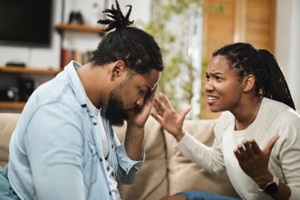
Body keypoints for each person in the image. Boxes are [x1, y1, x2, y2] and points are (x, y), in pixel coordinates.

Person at [0, 1, 164, 200]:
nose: (140, 102)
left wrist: (136, 127)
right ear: (117, 70)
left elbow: (124, 175)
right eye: (141, 90)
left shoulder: (98, 105)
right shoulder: (57, 113)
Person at [152, 42, 300, 200]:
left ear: (247, 83)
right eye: (208, 78)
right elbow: (214, 163)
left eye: (218, 78)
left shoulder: (287, 123)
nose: (208, 86)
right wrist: (179, 134)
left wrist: (266, 179)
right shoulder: (227, 119)